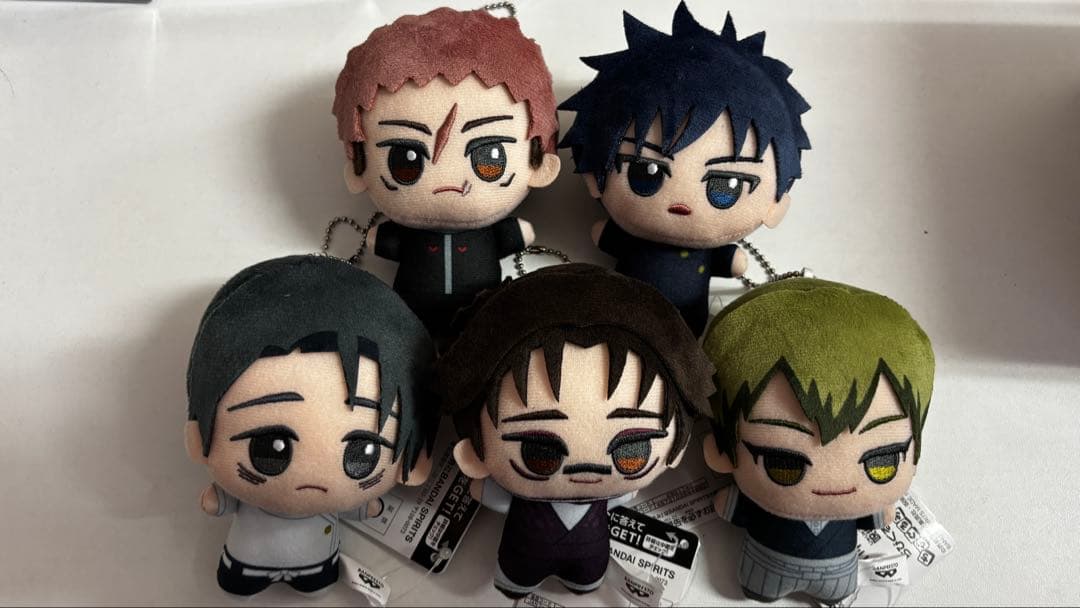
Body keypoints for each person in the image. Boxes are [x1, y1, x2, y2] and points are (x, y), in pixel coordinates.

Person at [437, 263, 714, 598]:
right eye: (539, 452)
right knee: (520, 575)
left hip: (586, 558)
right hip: (523, 558)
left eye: (631, 453)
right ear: (472, 454)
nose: (587, 468)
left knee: (584, 576)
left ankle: (579, 581)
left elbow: (483, 493)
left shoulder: (610, 495)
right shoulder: (610, 494)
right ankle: (521, 582)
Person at [184, 255, 437, 596]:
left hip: (317, 566)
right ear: (199, 434)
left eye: (361, 453)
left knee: (313, 586)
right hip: (247, 561)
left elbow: (360, 507)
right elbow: (219, 502)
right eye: (269, 447)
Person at [559, 3, 811, 335]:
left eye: (725, 186)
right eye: (645, 174)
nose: (683, 199)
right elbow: (602, 237)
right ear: (594, 177)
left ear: (775, 206)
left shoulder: (710, 252)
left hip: (687, 333)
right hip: (621, 325)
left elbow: (734, 263)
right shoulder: (626, 237)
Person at [700, 278, 936, 603]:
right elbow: (732, 507)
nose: (836, 484)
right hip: (767, 569)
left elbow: (727, 507)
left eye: (881, 463)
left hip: (827, 572)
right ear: (721, 452)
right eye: (783, 464)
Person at [332, 7, 561, 341]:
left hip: (482, 322)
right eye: (406, 160)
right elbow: (383, 241)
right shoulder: (406, 236)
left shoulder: (494, 233)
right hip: (410, 322)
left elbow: (515, 235)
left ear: (539, 164)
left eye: (489, 158)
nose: (448, 180)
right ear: (358, 168)